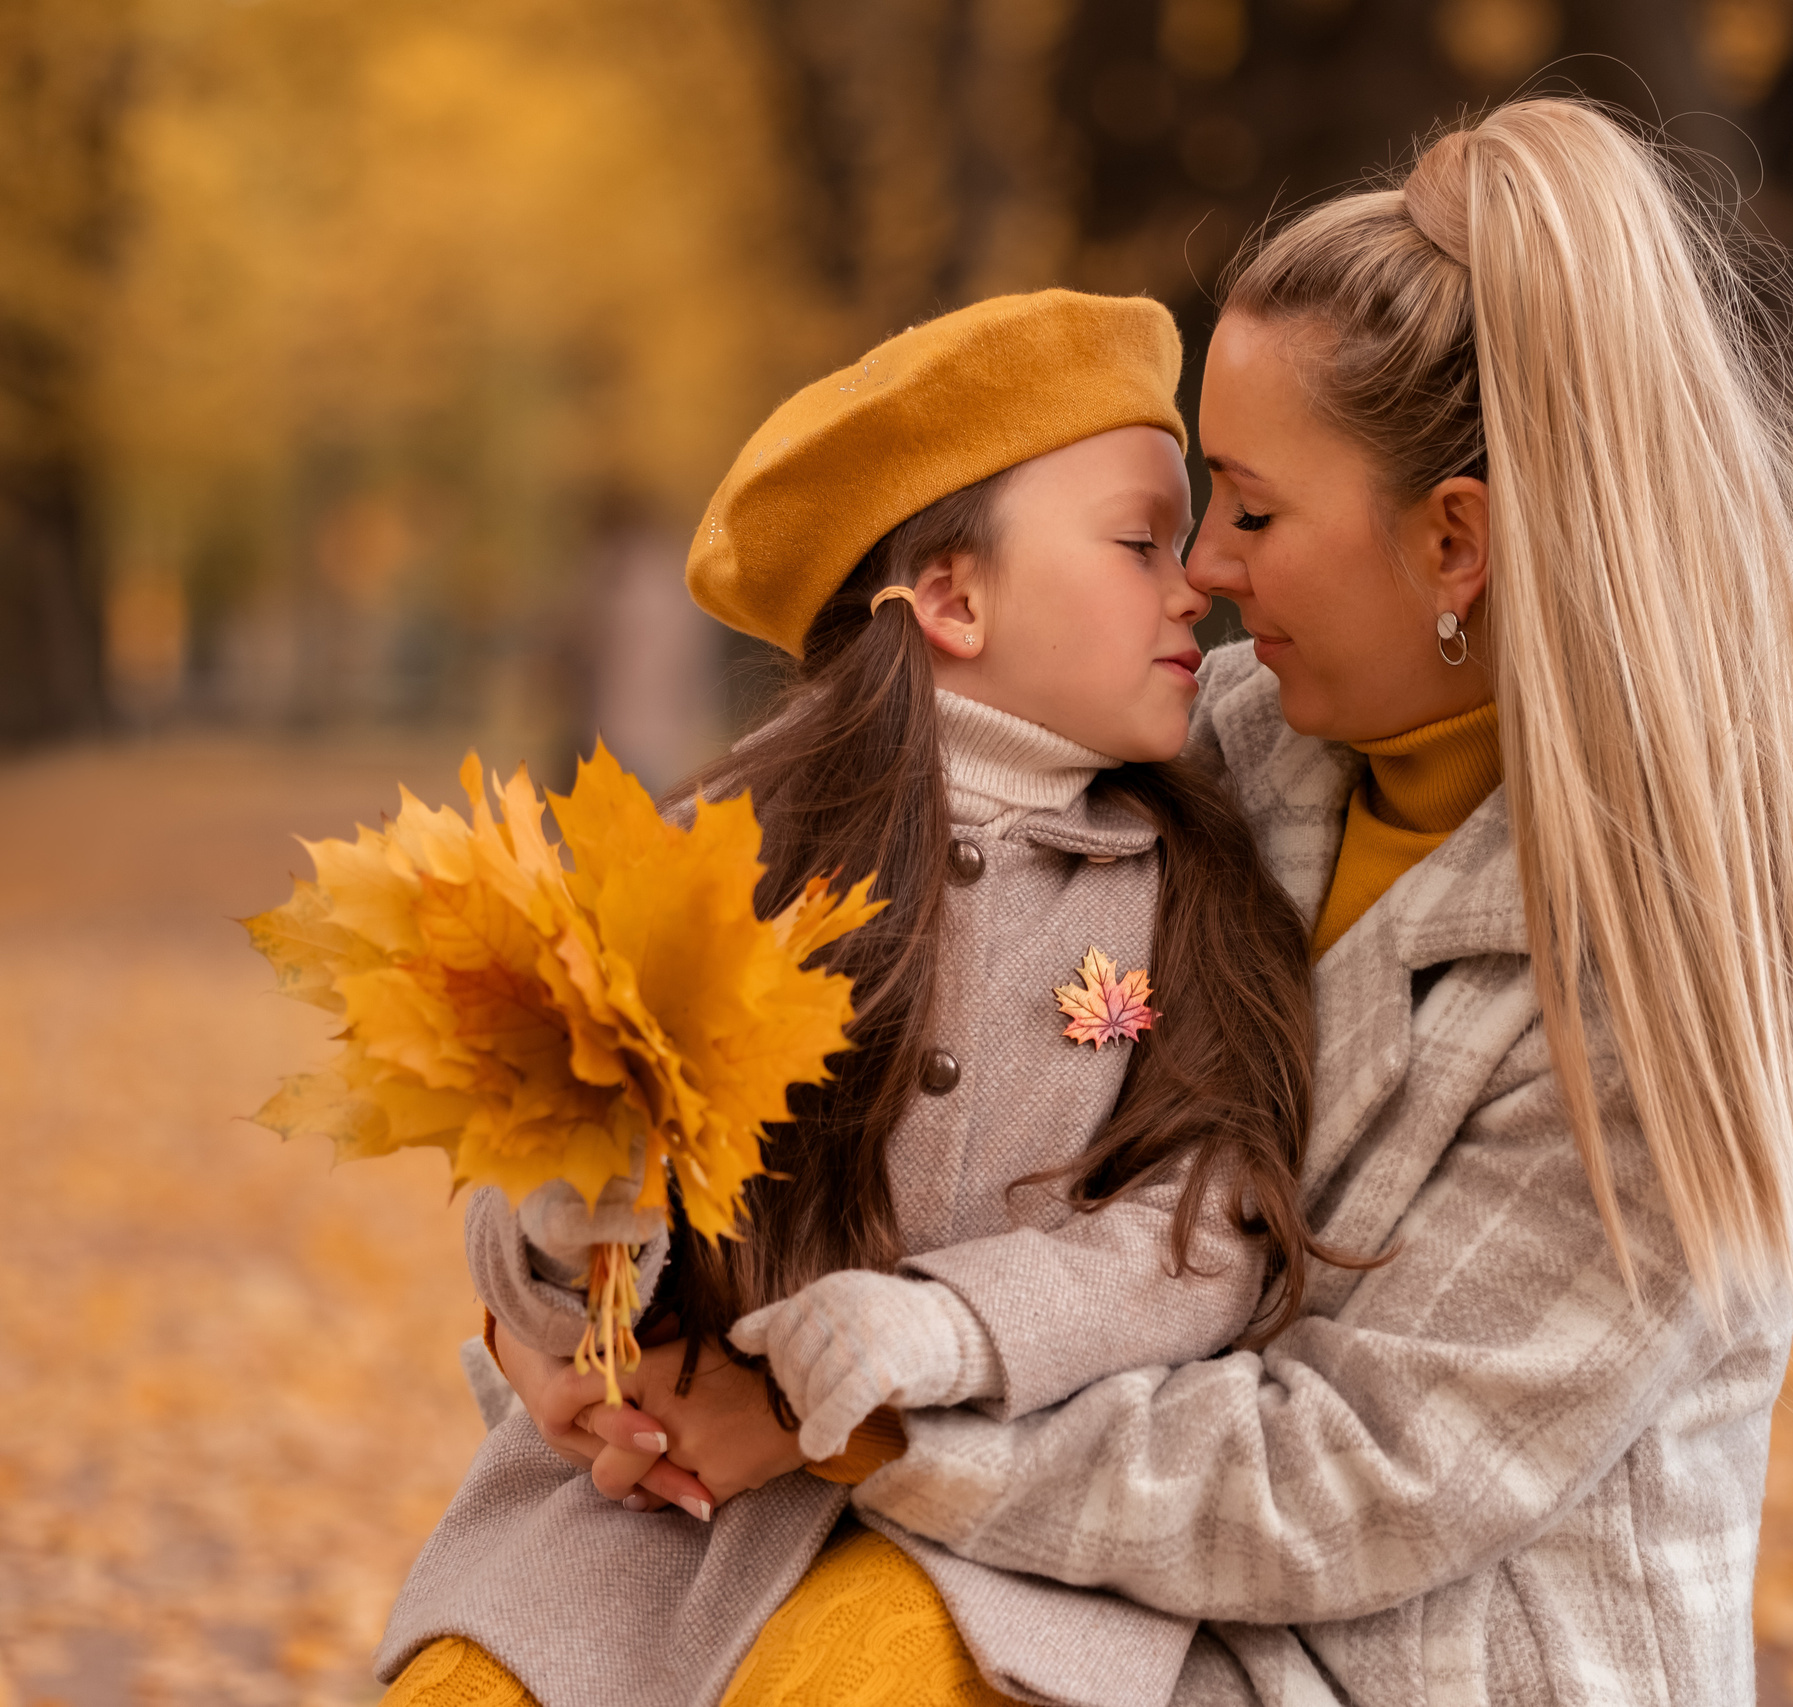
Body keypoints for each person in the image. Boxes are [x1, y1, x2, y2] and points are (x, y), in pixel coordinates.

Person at [568, 97, 1793, 1705]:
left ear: (1457, 543)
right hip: (1097, 1596)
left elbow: (1360, 1475)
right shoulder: (1215, 747)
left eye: (1253, 512)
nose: (1200, 567)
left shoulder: (1681, 984)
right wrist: (587, 1338)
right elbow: (846, 965)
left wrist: (854, 1425)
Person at [373, 289, 1349, 1707]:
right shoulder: (729, 855)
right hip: (664, 1524)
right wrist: (582, 1228)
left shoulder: (1192, 885)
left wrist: (946, 1329)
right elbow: (522, 1203)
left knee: (850, 1684)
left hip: (992, 1532)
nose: (1193, 580)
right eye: (1139, 542)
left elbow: (1205, 1234)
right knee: (466, 1689)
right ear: (953, 598)